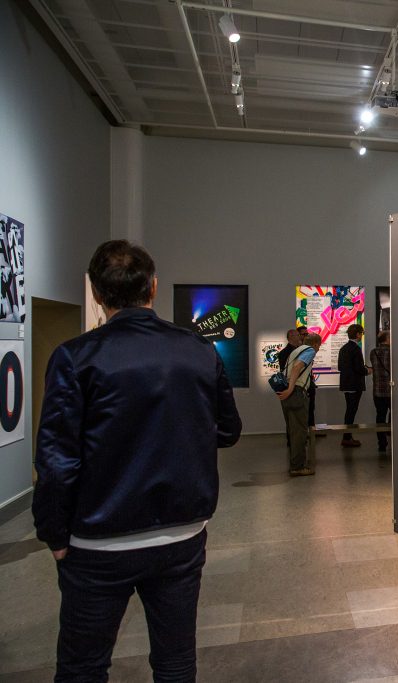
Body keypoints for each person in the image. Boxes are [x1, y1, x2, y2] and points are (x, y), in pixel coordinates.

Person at [33, 240, 242, 682]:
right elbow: (228, 430)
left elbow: (57, 459)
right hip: (182, 534)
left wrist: (53, 532)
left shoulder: (75, 357)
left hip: (97, 541)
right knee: (176, 661)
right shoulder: (200, 351)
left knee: (83, 667)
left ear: (95, 292)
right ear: (154, 287)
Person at [276, 333, 321, 476]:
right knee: (300, 432)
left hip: (287, 395)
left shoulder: (295, 350)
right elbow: (297, 367)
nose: (318, 349)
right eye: (319, 345)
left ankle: (295, 463)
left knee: (293, 429)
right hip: (296, 392)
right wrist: (291, 388)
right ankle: (297, 467)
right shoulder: (309, 351)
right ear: (315, 344)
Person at [338, 323, 370, 447]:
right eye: (361, 333)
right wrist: (367, 371)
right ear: (357, 334)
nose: (361, 335)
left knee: (350, 410)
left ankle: (347, 436)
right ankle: (347, 437)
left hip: (346, 384)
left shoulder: (343, 348)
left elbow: (341, 367)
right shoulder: (355, 349)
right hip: (354, 384)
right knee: (351, 411)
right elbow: (358, 368)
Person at [277, 327, 303, 445]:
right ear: (291, 337)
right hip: (291, 387)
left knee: (291, 417)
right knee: (293, 417)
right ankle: (294, 442)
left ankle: (293, 441)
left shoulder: (288, 351)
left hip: (289, 386)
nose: (300, 337)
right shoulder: (290, 353)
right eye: (297, 335)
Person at [369, 330, 391, 455]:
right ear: (387, 338)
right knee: (394, 416)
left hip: (377, 390)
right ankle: (394, 439)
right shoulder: (393, 352)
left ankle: (382, 443)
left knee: (380, 416)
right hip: (392, 390)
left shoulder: (373, 352)